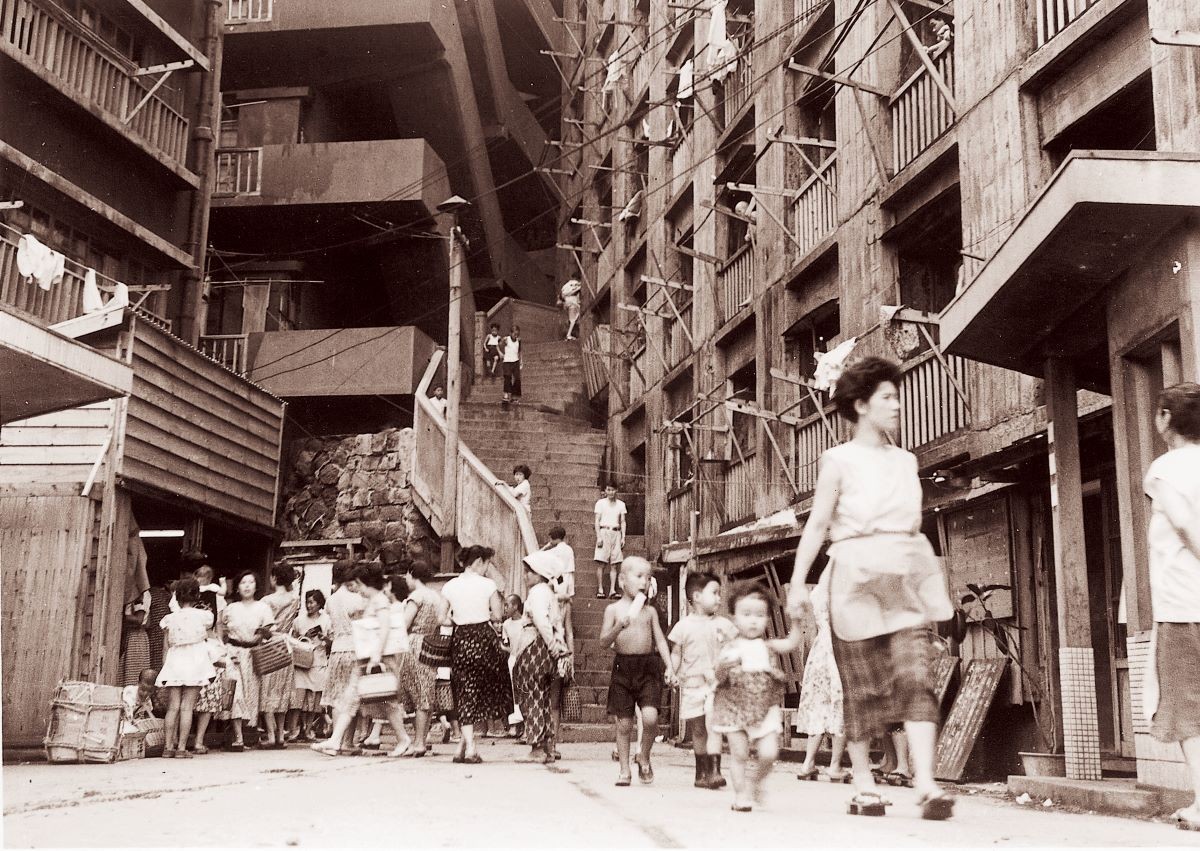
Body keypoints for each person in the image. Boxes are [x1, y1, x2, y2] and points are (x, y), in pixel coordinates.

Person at [786, 356, 955, 820]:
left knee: (916, 675)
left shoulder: (907, 461)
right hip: (854, 579)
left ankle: (925, 783)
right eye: (888, 397)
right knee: (863, 687)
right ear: (861, 405)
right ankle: (863, 785)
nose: (897, 405)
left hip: (902, 577)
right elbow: (818, 524)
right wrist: (798, 583)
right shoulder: (838, 460)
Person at [1144, 382, 1200, 832]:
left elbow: (1182, 523)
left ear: (1165, 417)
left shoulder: (1164, 470)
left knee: (1188, 711)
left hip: (1184, 606)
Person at [711, 582, 802, 811]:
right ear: (734, 617)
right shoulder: (730, 647)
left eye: (760, 615)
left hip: (764, 706)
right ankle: (740, 795)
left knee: (770, 753)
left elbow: (792, 642)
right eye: (746, 614)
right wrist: (722, 667)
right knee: (739, 754)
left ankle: (756, 781)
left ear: (768, 618)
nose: (753, 620)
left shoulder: (768, 645)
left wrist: (798, 620)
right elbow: (719, 675)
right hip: (735, 706)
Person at [314, 563, 415, 758]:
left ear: (366, 583)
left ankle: (403, 740)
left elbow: (385, 627)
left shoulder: (379, 601)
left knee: (387, 703)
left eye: (358, 585)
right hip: (366, 659)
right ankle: (335, 741)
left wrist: (376, 656)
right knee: (352, 700)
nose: (357, 590)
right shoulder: (373, 601)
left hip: (377, 659)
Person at [599, 556, 674, 786]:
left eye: (648, 577)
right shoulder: (613, 610)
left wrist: (670, 666)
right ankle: (624, 769)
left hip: (648, 666)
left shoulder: (649, 612)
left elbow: (660, 641)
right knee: (623, 723)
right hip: (623, 667)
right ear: (622, 580)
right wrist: (619, 626)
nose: (644, 581)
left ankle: (644, 755)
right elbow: (603, 641)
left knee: (650, 718)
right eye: (639, 576)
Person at [440, 545, 513, 764]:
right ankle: (470, 746)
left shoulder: (450, 585)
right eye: (487, 563)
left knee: (465, 690)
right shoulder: (488, 585)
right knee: (483, 688)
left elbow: (441, 618)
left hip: (461, 639)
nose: (487, 568)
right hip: (483, 638)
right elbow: (498, 615)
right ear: (479, 561)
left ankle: (464, 744)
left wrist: (457, 618)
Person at [669, 571, 737, 789]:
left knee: (714, 726)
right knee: (698, 730)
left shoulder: (724, 625)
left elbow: (734, 648)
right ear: (696, 597)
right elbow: (677, 652)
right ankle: (701, 773)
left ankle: (715, 770)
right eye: (714, 593)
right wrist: (672, 670)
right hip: (692, 684)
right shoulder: (683, 626)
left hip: (716, 685)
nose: (719, 598)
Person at [513, 551, 570, 763]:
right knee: (544, 698)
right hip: (545, 649)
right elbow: (555, 623)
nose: (526, 576)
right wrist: (555, 645)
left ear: (540, 574)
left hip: (535, 645)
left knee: (532, 694)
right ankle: (547, 745)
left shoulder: (537, 592)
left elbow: (540, 620)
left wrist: (551, 643)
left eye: (529, 572)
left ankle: (536, 747)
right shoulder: (549, 593)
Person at [795, 567, 849, 783]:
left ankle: (808, 762)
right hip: (840, 647)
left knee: (819, 704)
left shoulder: (819, 590)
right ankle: (834, 766)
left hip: (821, 650)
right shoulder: (844, 590)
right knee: (840, 704)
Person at [156, 576, 217, 758]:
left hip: (175, 661)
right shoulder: (204, 616)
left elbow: (166, 644)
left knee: (173, 706)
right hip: (195, 662)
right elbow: (210, 626)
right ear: (197, 595)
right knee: (187, 707)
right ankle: (182, 748)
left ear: (176, 596)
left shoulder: (169, 618)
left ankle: (168, 747)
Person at [219, 570, 275, 752]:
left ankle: (249, 732)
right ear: (237, 587)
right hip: (234, 653)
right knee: (235, 693)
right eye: (243, 582)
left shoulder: (263, 607)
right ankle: (237, 737)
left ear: (256, 586)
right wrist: (223, 646)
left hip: (253, 654)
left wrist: (259, 636)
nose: (247, 586)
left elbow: (268, 630)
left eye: (251, 582)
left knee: (251, 693)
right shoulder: (231, 608)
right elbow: (220, 627)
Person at [319, 560, 367, 754]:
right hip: (355, 648)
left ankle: (334, 740)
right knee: (351, 696)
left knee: (337, 696)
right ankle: (346, 741)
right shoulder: (357, 598)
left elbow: (329, 625)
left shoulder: (331, 599)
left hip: (337, 649)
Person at [403, 559, 444, 754]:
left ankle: (418, 741)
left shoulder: (416, 596)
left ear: (412, 574)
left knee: (417, 692)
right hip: (431, 643)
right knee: (426, 691)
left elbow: (405, 624)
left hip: (415, 643)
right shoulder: (436, 597)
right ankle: (422, 739)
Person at [259, 563, 300, 749]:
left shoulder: (267, 601)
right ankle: (281, 733)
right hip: (286, 644)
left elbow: (264, 626)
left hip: (270, 644)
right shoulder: (295, 599)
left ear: (274, 578)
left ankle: (270, 734)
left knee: (268, 690)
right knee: (282, 690)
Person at [289, 589, 331, 742]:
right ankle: (294, 730)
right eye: (307, 601)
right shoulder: (299, 621)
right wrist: (302, 638)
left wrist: (325, 638)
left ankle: (308, 729)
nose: (309, 605)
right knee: (298, 697)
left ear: (319, 604)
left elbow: (331, 641)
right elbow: (291, 639)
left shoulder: (326, 620)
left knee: (314, 698)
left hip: (318, 660)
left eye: (312, 602)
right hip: (301, 661)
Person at [542, 526, 576, 648]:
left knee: (559, 623)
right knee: (568, 626)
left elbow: (537, 555)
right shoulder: (569, 549)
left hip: (560, 584)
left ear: (553, 538)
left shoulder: (555, 551)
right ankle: (570, 656)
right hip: (568, 584)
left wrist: (547, 546)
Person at [594, 485, 628, 599]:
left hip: (616, 532)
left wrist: (623, 537)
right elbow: (597, 521)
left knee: (614, 564)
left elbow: (623, 521)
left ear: (616, 490)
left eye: (613, 490)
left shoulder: (621, 504)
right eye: (608, 490)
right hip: (604, 532)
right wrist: (599, 536)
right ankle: (600, 589)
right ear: (605, 491)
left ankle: (613, 590)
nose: (611, 492)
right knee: (601, 562)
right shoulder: (600, 503)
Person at [501, 594, 526, 739]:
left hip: (523, 660)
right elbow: (507, 645)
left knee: (523, 691)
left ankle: (524, 724)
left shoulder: (525, 622)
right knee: (513, 691)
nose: (505, 608)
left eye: (507, 605)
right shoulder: (506, 624)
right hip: (512, 660)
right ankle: (515, 725)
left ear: (515, 606)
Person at [501, 325, 522, 403]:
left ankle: (514, 397)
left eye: (517, 334)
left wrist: (521, 360)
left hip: (516, 361)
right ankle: (506, 395)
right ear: (510, 333)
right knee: (507, 377)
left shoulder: (519, 340)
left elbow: (519, 351)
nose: (516, 336)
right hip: (507, 362)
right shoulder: (507, 339)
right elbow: (498, 345)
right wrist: (500, 353)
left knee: (517, 379)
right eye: (514, 334)